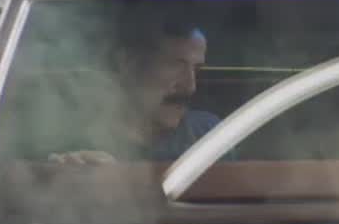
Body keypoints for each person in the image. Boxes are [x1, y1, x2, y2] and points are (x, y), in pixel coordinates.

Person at [49, 13, 220, 164]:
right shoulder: (75, 138)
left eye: (197, 69)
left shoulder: (209, 135)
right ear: (128, 64)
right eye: (175, 65)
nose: (190, 86)